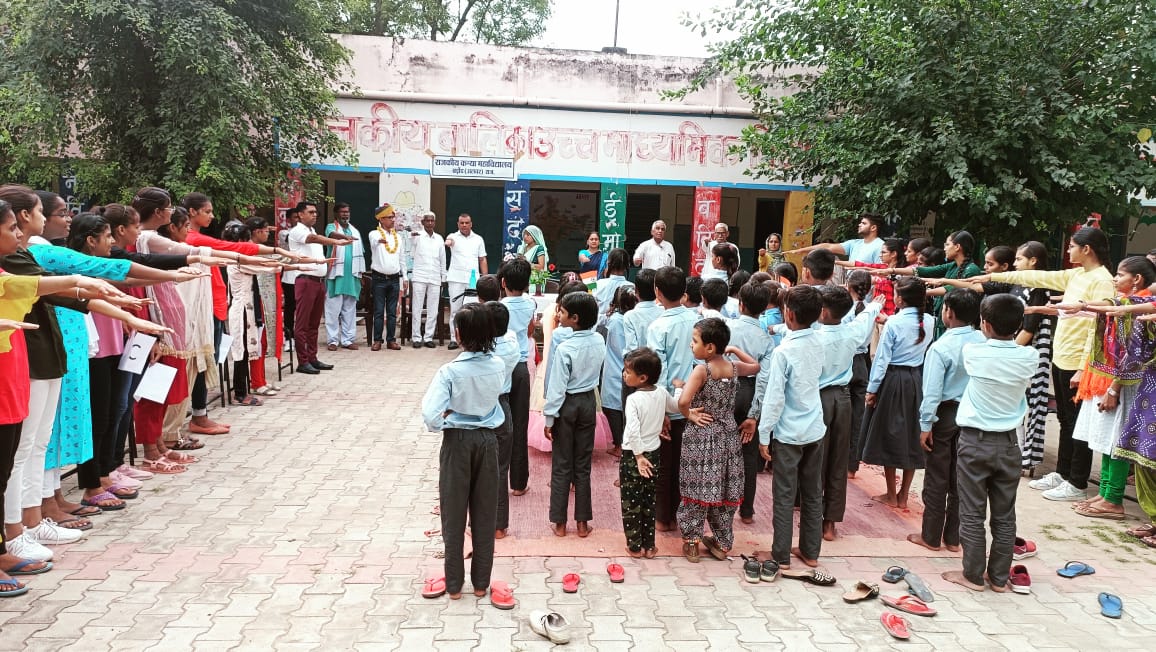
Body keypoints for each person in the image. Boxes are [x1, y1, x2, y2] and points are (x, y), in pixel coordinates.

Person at [982, 227, 1114, 502]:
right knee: (1066, 420)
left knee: (1077, 423)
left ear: (1086, 249)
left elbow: (1098, 327)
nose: (1068, 251)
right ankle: (1062, 473)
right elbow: (1037, 276)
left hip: (1079, 361)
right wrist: (994, 276)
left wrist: (1083, 367)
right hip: (1062, 356)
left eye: (1072, 247)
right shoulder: (1076, 274)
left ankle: (1076, 482)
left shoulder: (1102, 280)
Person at [942, 294, 1039, 592]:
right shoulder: (1029, 356)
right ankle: (998, 578)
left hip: (975, 442)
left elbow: (981, 345)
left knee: (971, 512)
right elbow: (1018, 345)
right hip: (1010, 444)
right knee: (1004, 513)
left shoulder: (974, 352)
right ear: (1019, 324)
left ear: (984, 323)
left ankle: (972, 575)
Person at [420, 303, 507, 603]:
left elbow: (430, 415)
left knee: (453, 516)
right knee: (485, 515)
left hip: (457, 441)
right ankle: (481, 583)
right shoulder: (498, 365)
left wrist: (449, 415)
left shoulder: (450, 372)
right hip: (487, 440)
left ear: (458, 334)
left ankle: (454, 585)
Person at [1065, 257, 1155, 520]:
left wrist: (1114, 388)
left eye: (1119, 274)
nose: (1115, 280)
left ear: (1136, 279)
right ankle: (1105, 492)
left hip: (1130, 384)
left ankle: (1114, 498)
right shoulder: (1130, 304)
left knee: (1117, 439)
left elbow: (1134, 355)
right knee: (1105, 436)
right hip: (1115, 379)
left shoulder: (1138, 306)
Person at [676, 318, 760, 562]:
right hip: (727, 436)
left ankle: (692, 542)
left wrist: (689, 414)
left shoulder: (702, 370)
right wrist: (732, 350)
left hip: (701, 436)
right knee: (724, 488)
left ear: (710, 347)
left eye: (695, 341)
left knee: (696, 485)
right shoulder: (733, 368)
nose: (692, 345)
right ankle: (722, 543)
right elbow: (754, 366)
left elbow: (683, 401)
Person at [908, 289, 985, 553]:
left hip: (946, 414)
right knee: (962, 476)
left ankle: (930, 536)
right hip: (973, 414)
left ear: (948, 313)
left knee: (937, 476)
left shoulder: (941, 347)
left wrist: (925, 424)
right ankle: (953, 538)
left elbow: (932, 391)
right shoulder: (983, 341)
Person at [758, 285, 826, 568]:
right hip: (815, 428)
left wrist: (764, 434)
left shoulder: (783, 353)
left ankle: (781, 555)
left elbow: (774, 398)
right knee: (812, 492)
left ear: (788, 313)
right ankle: (811, 552)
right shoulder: (819, 341)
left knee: (785, 494)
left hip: (788, 432)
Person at [814, 285, 884, 541]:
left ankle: (812, 518)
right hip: (842, 398)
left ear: (822, 311)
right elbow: (866, 318)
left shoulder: (815, 336)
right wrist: (875, 304)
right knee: (838, 460)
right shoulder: (851, 333)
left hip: (819, 397)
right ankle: (830, 522)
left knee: (816, 459)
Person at [859, 277, 935, 509]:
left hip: (893, 380)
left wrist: (872, 390)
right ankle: (903, 494)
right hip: (916, 380)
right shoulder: (930, 321)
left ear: (900, 299)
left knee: (889, 436)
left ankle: (891, 494)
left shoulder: (894, 323)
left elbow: (881, 360)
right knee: (911, 437)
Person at [542, 292, 606, 538]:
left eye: (563, 312)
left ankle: (559, 522)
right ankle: (582, 523)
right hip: (588, 401)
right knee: (582, 463)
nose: (559, 315)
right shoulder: (599, 340)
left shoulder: (565, 348)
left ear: (575, 318)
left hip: (567, 404)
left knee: (561, 464)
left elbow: (557, 389)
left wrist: (549, 419)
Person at [646, 266, 698, 532]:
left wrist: (662, 409)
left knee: (665, 462)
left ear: (657, 292)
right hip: (696, 404)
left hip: (671, 404)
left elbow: (659, 371)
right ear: (684, 292)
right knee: (688, 462)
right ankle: (683, 516)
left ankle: (664, 517)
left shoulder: (659, 326)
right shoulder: (697, 320)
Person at [619, 347, 676, 559]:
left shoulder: (633, 400)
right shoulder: (661, 392)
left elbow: (632, 430)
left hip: (634, 457)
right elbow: (675, 407)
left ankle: (634, 546)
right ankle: (650, 546)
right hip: (654, 454)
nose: (624, 374)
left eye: (628, 371)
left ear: (642, 378)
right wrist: (679, 390)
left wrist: (638, 456)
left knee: (631, 501)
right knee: (649, 500)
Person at [286, 202, 354, 374]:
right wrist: (335, 241)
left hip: (317, 281)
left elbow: (315, 239)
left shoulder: (312, 230)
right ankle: (303, 361)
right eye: (310, 212)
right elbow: (314, 240)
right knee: (302, 323)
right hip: (305, 279)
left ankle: (312, 357)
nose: (315, 215)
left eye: (316, 212)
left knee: (314, 324)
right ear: (300, 215)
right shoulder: (297, 231)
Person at [728, 282, 775, 524]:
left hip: (725, 387)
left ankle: (717, 504)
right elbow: (765, 378)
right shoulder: (766, 340)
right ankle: (746, 510)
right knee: (747, 452)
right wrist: (754, 415)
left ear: (740, 304)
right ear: (764, 308)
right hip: (750, 390)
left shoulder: (727, 327)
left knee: (718, 449)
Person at [498, 257, 537, 496]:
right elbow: (531, 330)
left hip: (501, 366)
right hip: (521, 365)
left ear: (503, 282)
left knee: (501, 422)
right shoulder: (530, 304)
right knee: (521, 423)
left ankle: (499, 476)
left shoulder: (500, 307)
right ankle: (519, 482)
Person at [484, 301, 520, 539]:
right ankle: (499, 525)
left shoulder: (484, 350)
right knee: (500, 468)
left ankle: (480, 521)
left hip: (483, 408)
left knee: (480, 469)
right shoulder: (512, 343)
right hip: (503, 405)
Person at [602, 285, 638, 459]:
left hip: (616, 364)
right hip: (626, 365)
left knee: (613, 406)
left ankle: (619, 443)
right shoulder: (632, 317)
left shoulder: (616, 319)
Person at [324, 202, 365, 351]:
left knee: (349, 310)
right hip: (335, 275)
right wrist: (344, 236)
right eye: (342, 212)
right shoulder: (331, 227)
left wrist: (360, 275)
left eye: (347, 212)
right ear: (336, 214)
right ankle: (332, 341)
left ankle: (348, 340)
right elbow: (331, 236)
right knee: (332, 310)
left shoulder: (355, 231)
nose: (345, 214)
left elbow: (361, 254)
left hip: (352, 276)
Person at [367, 204, 407, 351]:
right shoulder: (374, 234)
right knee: (378, 311)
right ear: (381, 219)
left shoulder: (398, 237)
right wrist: (379, 241)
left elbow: (402, 259)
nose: (392, 220)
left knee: (392, 311)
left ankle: (391, 340)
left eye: (393, 217)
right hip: (379, 279)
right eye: (389, 217)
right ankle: (377, 340)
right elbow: (373, 242)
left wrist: (405, 278)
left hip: (395, 278)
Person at [446, 214, 488, 349]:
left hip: (473, 279)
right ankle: (454, 338)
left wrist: (485, 278)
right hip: (456, 278)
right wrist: (448, 243)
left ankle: (471, 338)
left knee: (473, 310)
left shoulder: (478, 239)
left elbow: (482, 259)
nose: (464, 225)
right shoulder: (453, 236)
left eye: (467, 223)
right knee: (455, 310)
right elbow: (449, 241)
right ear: (458, 224)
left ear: (471, 224)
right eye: (462, 223)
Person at [410, 211, 447, 348]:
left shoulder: (439, 239)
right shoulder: (417, 236)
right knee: (417, 308)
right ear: (423, 222)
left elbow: (443, 259)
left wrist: (443, 276)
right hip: (420, 276)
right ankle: (416, 338)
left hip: (435, 277)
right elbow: (412, 247)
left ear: (434, 222)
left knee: (433, 309)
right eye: (427, 221)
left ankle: (428, 337)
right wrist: (412, 236)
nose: (430, 223)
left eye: (432, 221)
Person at [788, 213, 884, 265]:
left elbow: (880, 271)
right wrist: (802, 250)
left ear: (873, 228)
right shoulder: (855, 243)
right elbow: (828, 247)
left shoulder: (880, 246)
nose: (859, 225)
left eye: (864, 223)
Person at [622, 269, 662, 351]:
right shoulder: (664, 312)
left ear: (636, 291)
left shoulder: (630, 316)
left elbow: (631, 349)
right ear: (657, 291)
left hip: (638, 362)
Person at [279, 205, 300, 351]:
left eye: (300, 217)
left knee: (303, 308)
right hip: (289, 275)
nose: (298, 220)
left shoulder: (308, 232)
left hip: (304, 274)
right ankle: (288, 337)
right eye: (295, 218)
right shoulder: (284, 233)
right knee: (290, 307)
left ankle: (300, 337)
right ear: (288, 220)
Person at [593, 248, 632, 317]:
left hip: (599, 326)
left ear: (608, 263)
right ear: (628, 265)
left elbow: (590, 310)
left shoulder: (597, 284)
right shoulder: (632, 287)